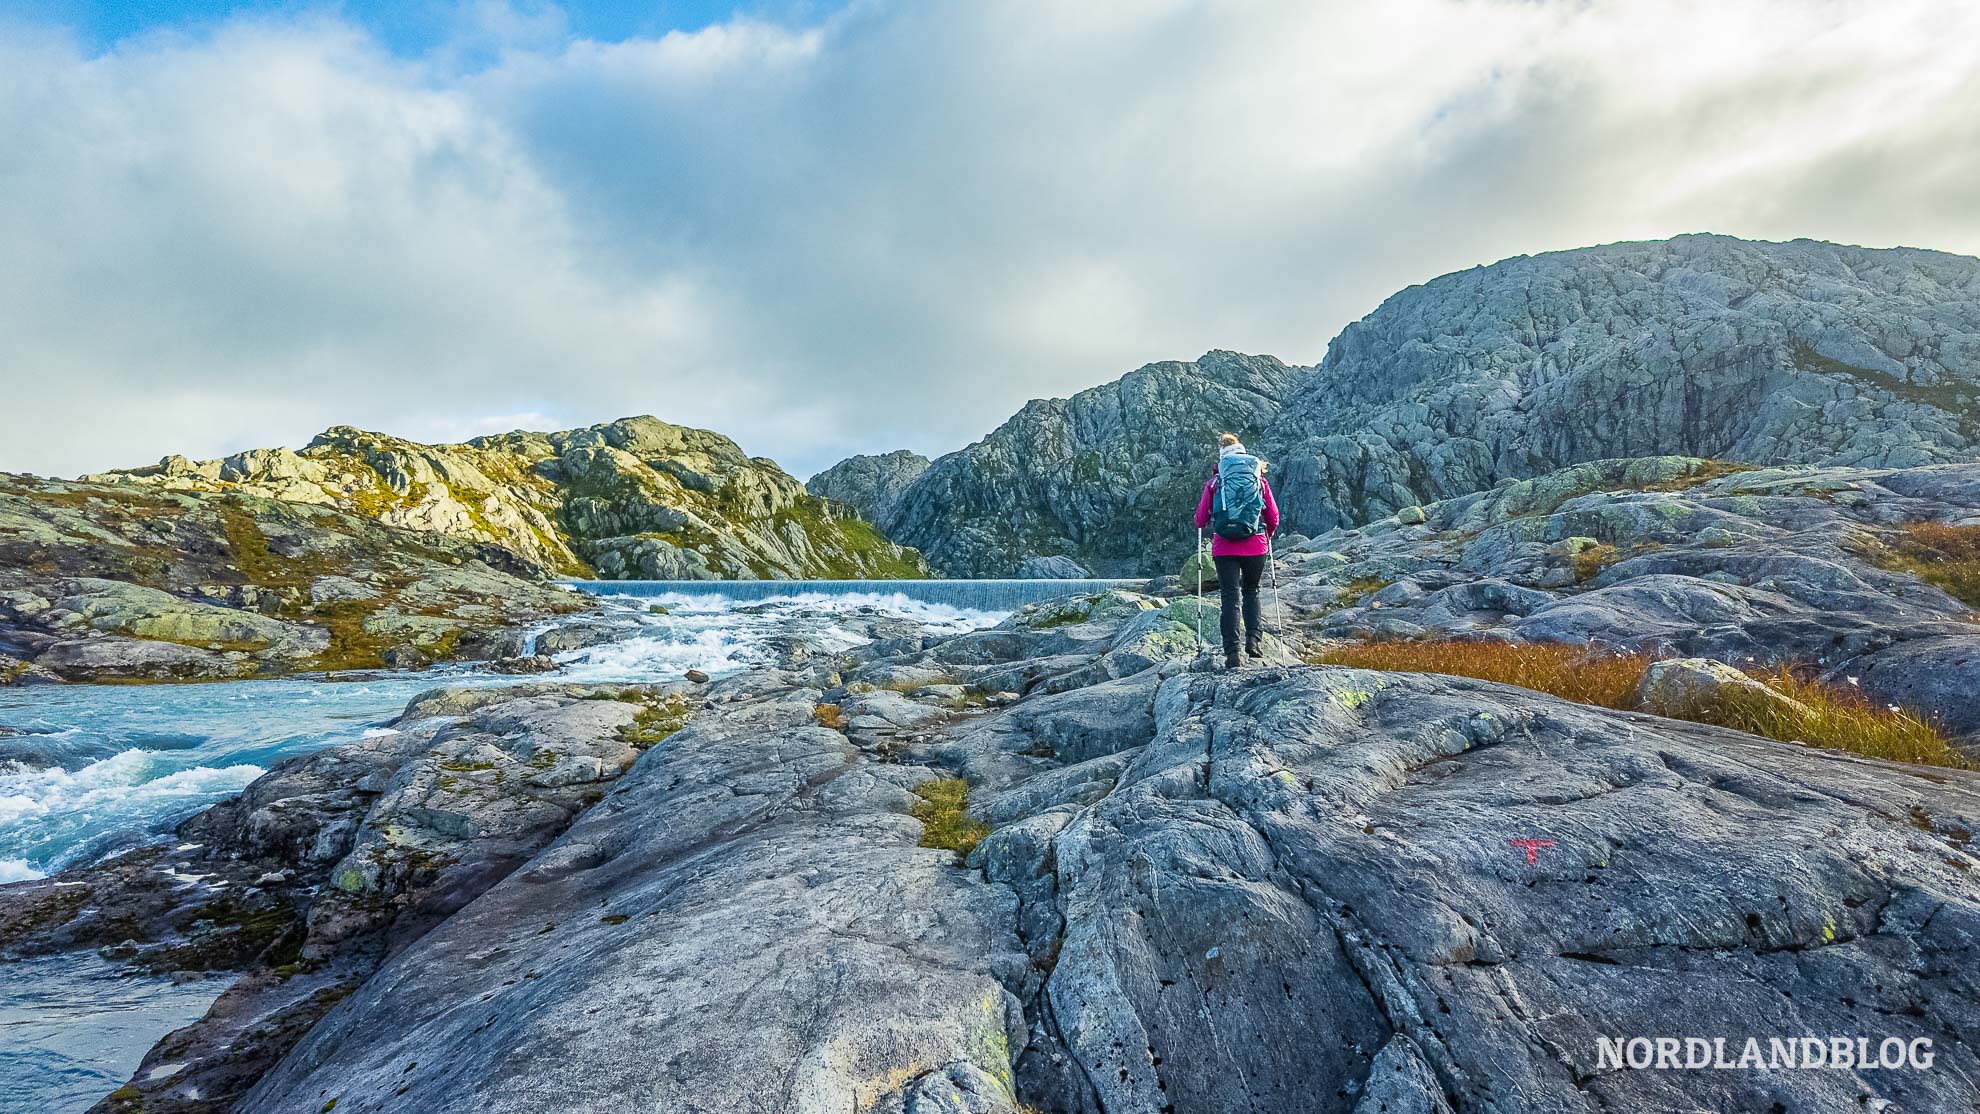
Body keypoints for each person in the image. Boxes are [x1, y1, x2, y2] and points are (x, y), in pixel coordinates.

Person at [1193, 433, 1279, 668]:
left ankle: (1233, 653)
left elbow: (1200, 519)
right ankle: (1254, 641)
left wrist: (1204, 523)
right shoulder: (1259, 481)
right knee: (1251, 591)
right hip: (1256, 545)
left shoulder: (1215, 482)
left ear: (1222, 459)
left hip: (1224, 547)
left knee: (1230, 597)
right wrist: (1266, 534)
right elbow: (1273, 516)